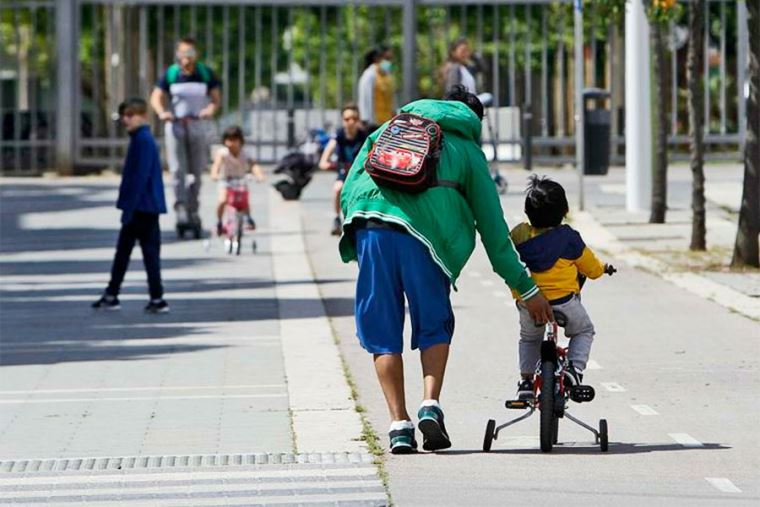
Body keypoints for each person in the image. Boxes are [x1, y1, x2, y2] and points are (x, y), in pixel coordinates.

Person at [339, 86, 553, 454]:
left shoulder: (389, 128)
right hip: (425, 240)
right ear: (474, 119)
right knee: (433, 324)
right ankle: (430, 404)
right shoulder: (467, 150)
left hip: (371, 228)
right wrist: (527, 288)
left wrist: (359, 239)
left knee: (382, 332)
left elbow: (349, 188)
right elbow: (493, 230)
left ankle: (398, 425)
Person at [509, 175, 612, 400]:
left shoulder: (519, 235)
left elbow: (507, 254)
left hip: (529, 301)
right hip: (564, 302)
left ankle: (526, 382)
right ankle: (574, 369)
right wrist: (603, 269)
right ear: (565, 210)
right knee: (583, 331)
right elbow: (591, 268)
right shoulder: (569, 238)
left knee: (529, 339)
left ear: (527, 211)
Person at [92, 98, 169, 314]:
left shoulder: (142, 140)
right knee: (139, 253)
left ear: (142, 115)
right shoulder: (141, 138)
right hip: (146, 206)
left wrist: (129, 207)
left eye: (130, 115)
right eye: (124, 116)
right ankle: (152, 296)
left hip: (141, 207)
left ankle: (117, 294)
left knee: (130, 252)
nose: (126, 120)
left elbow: (140, 177)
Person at [150, 36, 221, 226]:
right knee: (177, 170)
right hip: (176, 126)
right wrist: (162, 112)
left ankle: (193, 208)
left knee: (196, 171)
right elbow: (156, 97)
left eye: (190, 52)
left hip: (197, 125)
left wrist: (210, 110)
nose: (186, 57)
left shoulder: (205, 73)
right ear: (177, 54)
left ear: (195, 54)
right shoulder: (171, 74)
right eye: (182, 52)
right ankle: (180, 206)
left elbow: (215, 99)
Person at [318, 104, 368, 235]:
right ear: (343, 121)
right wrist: (326, 163)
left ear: (359, 120)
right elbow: (326, 155)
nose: (351, 122)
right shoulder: (339, 135)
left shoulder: (364, 136)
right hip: (344, 172)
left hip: (359, 174)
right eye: (347, 119)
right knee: (337, 188)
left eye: (354, 119)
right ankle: (336, 219)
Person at [210, 126, 265, 236]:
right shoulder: (223, 153)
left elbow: (253, 165)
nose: (231, 143)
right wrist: (215, 174)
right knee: (223, 200)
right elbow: (217, 165)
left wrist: (260, 175)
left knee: (244, 200)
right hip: (226, 180)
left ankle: (247, 217)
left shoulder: (245, 153)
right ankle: (219, 221)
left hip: (240, 180)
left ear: (240, 140)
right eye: (229, 140)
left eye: (234, 140)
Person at [357, 45, 395, 133]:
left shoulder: (387, 75)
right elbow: (364, 98)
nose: (389, 62)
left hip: (387, 121)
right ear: (377, 58)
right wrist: (364, 119)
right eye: (387, 58)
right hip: (373, 122)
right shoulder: (369, 75)